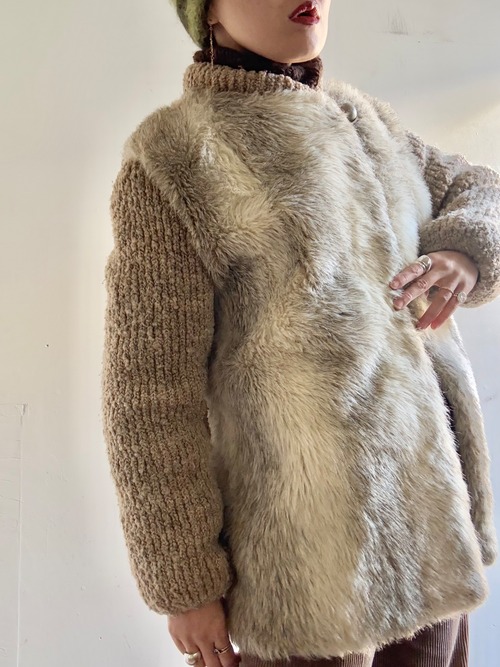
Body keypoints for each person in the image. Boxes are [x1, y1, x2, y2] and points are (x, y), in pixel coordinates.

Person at [101, 1, 500, 666]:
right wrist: (185, 583)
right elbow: (149, 395)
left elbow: (478, 185)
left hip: (434, 543)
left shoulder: (366, 123)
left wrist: (464, 249)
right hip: (309, 573)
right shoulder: (175, 157)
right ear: (208, 11)